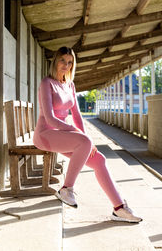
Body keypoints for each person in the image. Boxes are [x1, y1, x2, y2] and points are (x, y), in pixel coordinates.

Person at [33, 46, 142, 223]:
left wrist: (87, 140)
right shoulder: (47, 83)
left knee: (99, 160)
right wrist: (81, 137)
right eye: (62, 61)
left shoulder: (70, 85)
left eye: (70, 62)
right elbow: (51, 119)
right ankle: (66, 189)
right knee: (84, 142)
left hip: (62, 136)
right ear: (55, 61)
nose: (66, 65)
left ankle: (119, 208)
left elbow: (76, 115)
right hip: (46, 134)